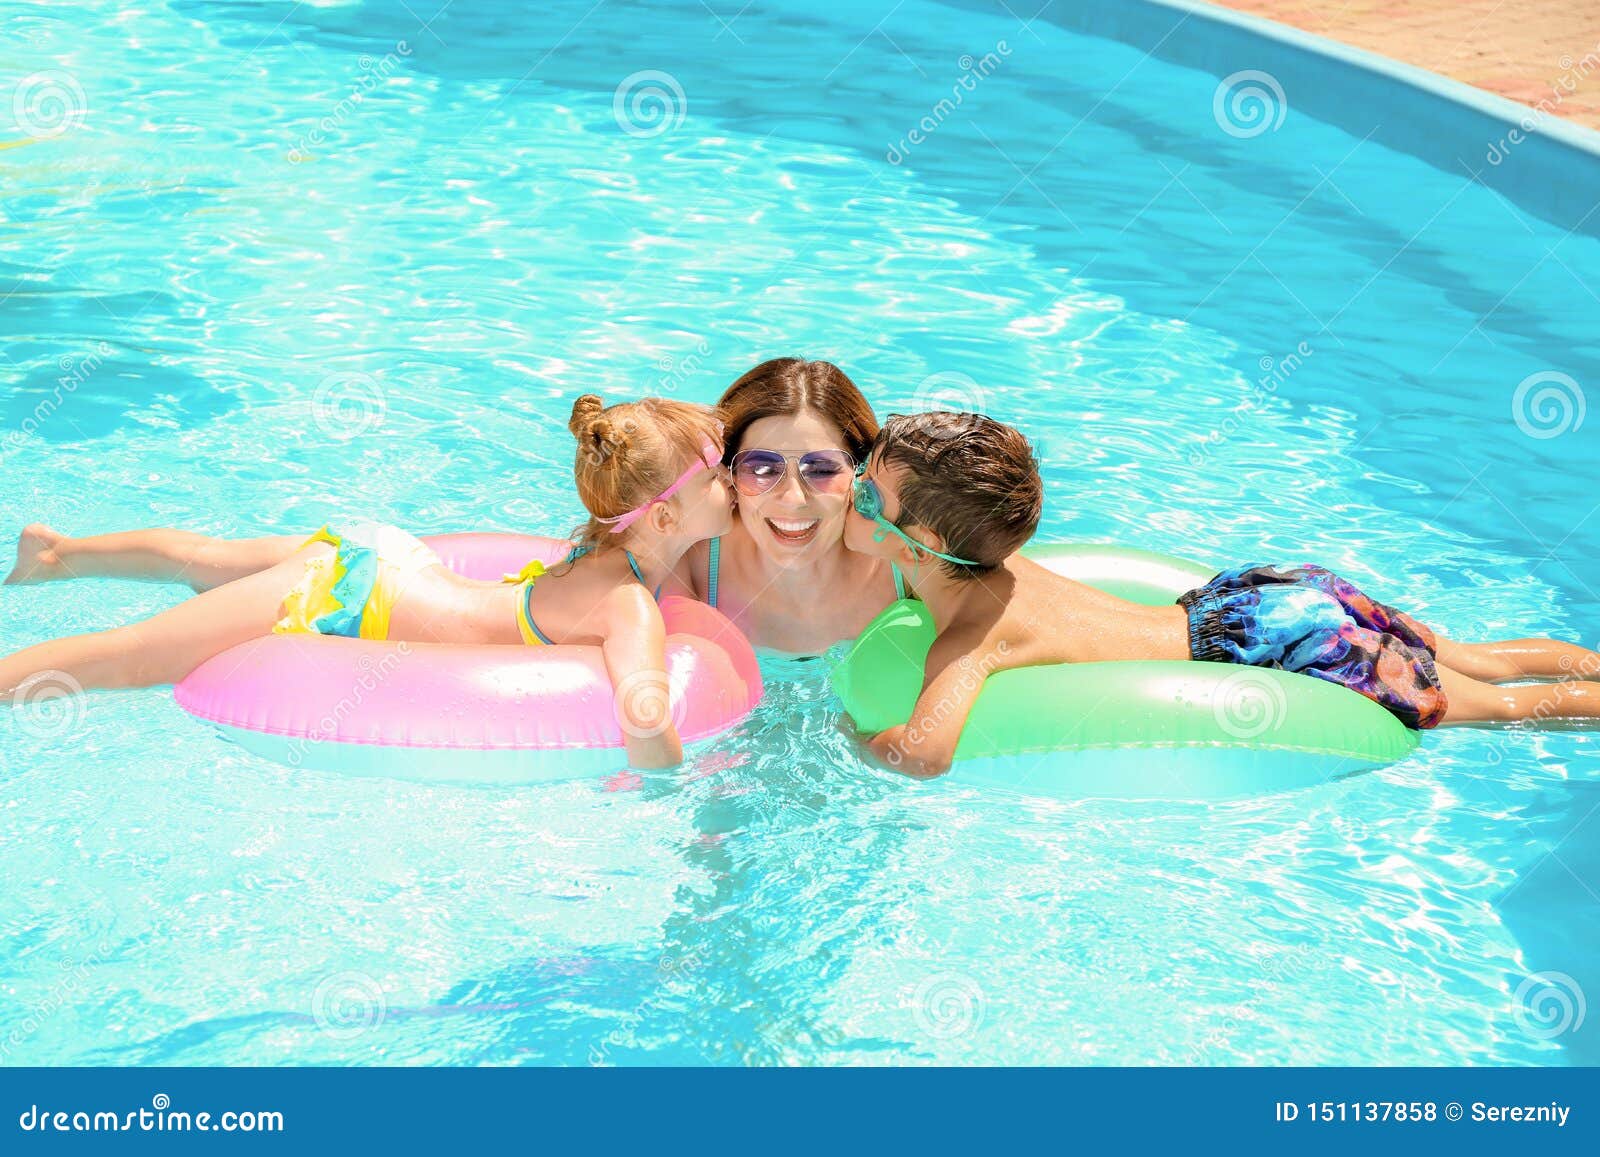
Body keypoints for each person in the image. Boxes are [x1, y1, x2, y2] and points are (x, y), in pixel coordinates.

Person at [842, 411, 1600, 778]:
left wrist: (852, 736)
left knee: (1495, 708)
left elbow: (922, 755)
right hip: (1257, 598)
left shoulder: (971, 633)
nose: (851, 497)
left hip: (1267, 647)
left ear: (927, 545)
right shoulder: (986, 561)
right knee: (1482, 659)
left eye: (870, 498)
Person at [2, 394, 732, 768]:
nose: (736, 481)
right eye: (720, 474)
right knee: (127, 657)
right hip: (348, 598)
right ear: (664, 521)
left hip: (384, 558)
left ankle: (60, 553)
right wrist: (679, 794)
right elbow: (645, 718)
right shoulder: (631, 603)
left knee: (207, 558)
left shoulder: (599, 546)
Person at [673, 357, 905, 655]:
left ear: (862, 472)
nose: (794, 498)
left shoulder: (905, 562)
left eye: (821, 470)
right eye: (761, 469)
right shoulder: (691, 562)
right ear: (725, 473)